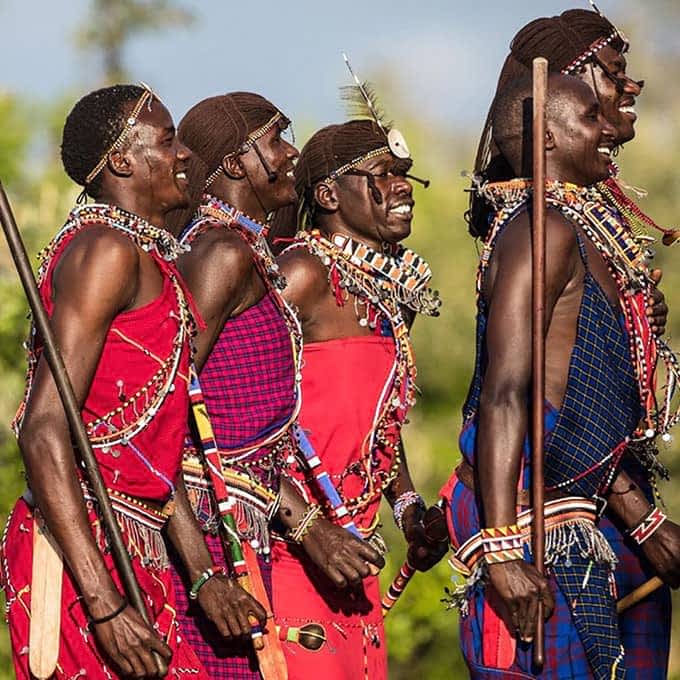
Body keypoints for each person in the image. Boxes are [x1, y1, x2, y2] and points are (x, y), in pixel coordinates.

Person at [0, 84, 245, 679]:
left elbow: (154, 449)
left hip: (136, 542)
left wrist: (204, 575)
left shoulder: (147, 259)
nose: (185, 155)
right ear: (122, 160)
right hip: (81, 547)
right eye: (168, 141)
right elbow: (43, 431)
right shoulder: (105, 251)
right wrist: (104, 604)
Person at [440, 73, 680, 679]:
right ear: (546, 137)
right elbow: (502, 396)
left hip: (580, 502)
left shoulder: (571, 229)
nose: (609, 133)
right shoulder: (538, 231)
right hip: (528, 519)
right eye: (591, 120)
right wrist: (499, 551)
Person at [165, 92, 385, 678]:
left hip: (241, 530)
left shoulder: (249, 251)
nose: (292, 154)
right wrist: (206, 576)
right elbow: (167, 414)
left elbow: (259, 428)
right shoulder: (221, 254)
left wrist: (309, 527)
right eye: (277, 139)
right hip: (207, 537)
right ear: (237, 164)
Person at [271, 116, 447, 679]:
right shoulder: (301, 274)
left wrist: (407, 510)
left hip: (357, 554)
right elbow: (233, 422)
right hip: (291, 551)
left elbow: (380, 427)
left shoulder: (394, 294)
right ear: (327, 195)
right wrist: (308, 529)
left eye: (404, 175)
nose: (401, 187)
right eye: (382, 173)